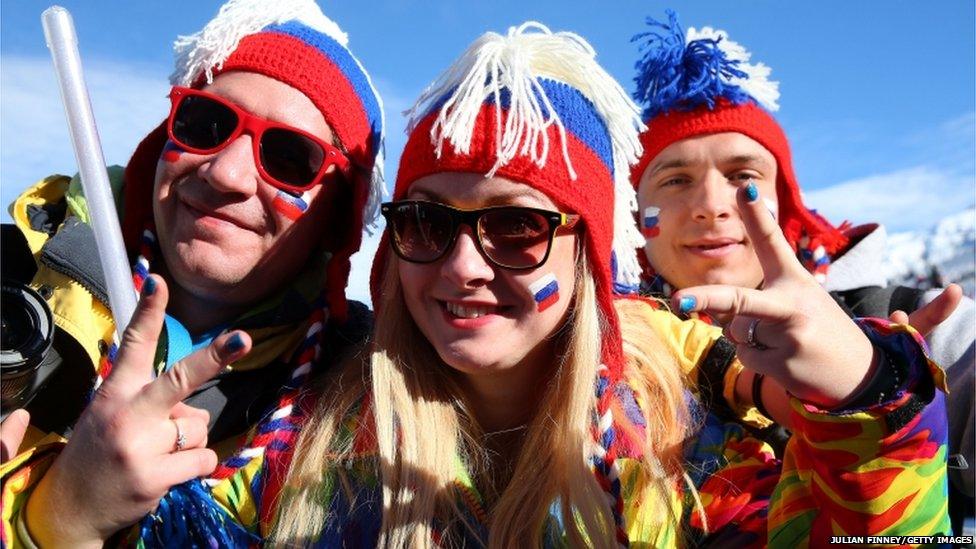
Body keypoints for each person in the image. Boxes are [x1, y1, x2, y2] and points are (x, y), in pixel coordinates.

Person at [89, 21, 946, 547]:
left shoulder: (690, 457)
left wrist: (873, 404)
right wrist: (59, 515)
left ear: (589, 260)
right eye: (429, 222)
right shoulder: (296, 452)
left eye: (516, 226)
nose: (464, 266)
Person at [0, 0, 384, 545]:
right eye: (207, 123)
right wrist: (61, 517)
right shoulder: (11, 272)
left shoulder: (366, 397)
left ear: (336, 217)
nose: (227, 173)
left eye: (292, 157)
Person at [628, 11, 974, 530]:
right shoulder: (588, 352)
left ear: (789, 208)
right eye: (675, 180)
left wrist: (885, 382)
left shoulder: (917, 323)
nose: (711, 205)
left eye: (743, 176)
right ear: (634, 217)